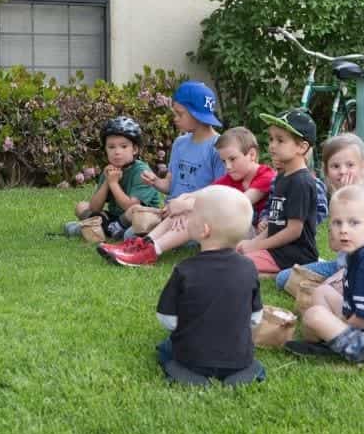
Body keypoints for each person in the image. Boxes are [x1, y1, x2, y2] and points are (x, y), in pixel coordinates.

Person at [98, 126, 274, 266]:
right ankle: (145, 244)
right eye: (223, 161)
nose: (227, 166)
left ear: (251, 155)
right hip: (230, 230)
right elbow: (203, 193)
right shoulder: (231, 177)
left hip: (248, 233)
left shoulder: (265, 175)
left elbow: (239, 203)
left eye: (232, 159)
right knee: (183, 208)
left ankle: (151, 251)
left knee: (195, 212)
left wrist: (189, 205)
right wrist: (181, 200)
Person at [285, 185, 364, 364]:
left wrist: (340, 324)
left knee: (314, 315)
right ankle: (322, 340)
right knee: (322, 292)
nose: (343, 230)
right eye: (337, 222)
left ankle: (330, 343)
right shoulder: (359, 252)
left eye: (354, 223)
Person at [155, 186, 265, 386]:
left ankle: (187, 373)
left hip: (192, 356)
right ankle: (243, 374)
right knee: (250, 361)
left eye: (192, 214)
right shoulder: (249, 268)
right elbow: (255, 318)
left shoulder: (184, 269)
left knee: (165, 348)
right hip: (238, 358)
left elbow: (167, 319)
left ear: (204, 230)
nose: (188, 217)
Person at [104, 80, 225, 251]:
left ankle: (171, 241)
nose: (174, 118)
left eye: (179, 113)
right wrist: (155, 181)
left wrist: (186, 206)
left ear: (196, 114)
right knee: (130, 234)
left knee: (181, 240)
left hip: (196, 214)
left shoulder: (219, 147)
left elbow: (220, 195)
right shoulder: (180, 143)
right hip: (169, 212)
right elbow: (170, 185)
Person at [274, 133, 364, 291]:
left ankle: (335, 289)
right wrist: (341, 200)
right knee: (283, 278)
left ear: (363, 167)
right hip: (340, 265)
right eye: (335, 166)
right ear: (326, 172)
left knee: (330, 290)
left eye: (350, 165)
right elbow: (334, 245)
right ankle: (330, 287)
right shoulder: (337, 198)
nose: (342, 171)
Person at [236, 109, 320, 277]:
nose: (272, 145)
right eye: (271, 139)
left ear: (302, 147)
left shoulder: (301, 182)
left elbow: (293, 231)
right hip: (276, 250)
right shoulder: (282, 177)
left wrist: (257, 247)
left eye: (280, 140)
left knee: (237, 266)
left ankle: (289, 272)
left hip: (294, 255)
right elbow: (275, 225)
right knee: (234, 253)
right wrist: (252, 242)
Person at [64, 116, 162, 239]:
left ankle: (96, 229)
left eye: (123, 146)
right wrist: (107, 182)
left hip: (140, 218)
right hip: (115, 217)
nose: (117, 152)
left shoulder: (142, 172)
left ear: (135, 149)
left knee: (135, 210)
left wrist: (114, 184)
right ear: (105, 149)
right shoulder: (110, 170)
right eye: (111, 147)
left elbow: (130, 206)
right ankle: (109, 229)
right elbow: (95, 208)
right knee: (82, 206)